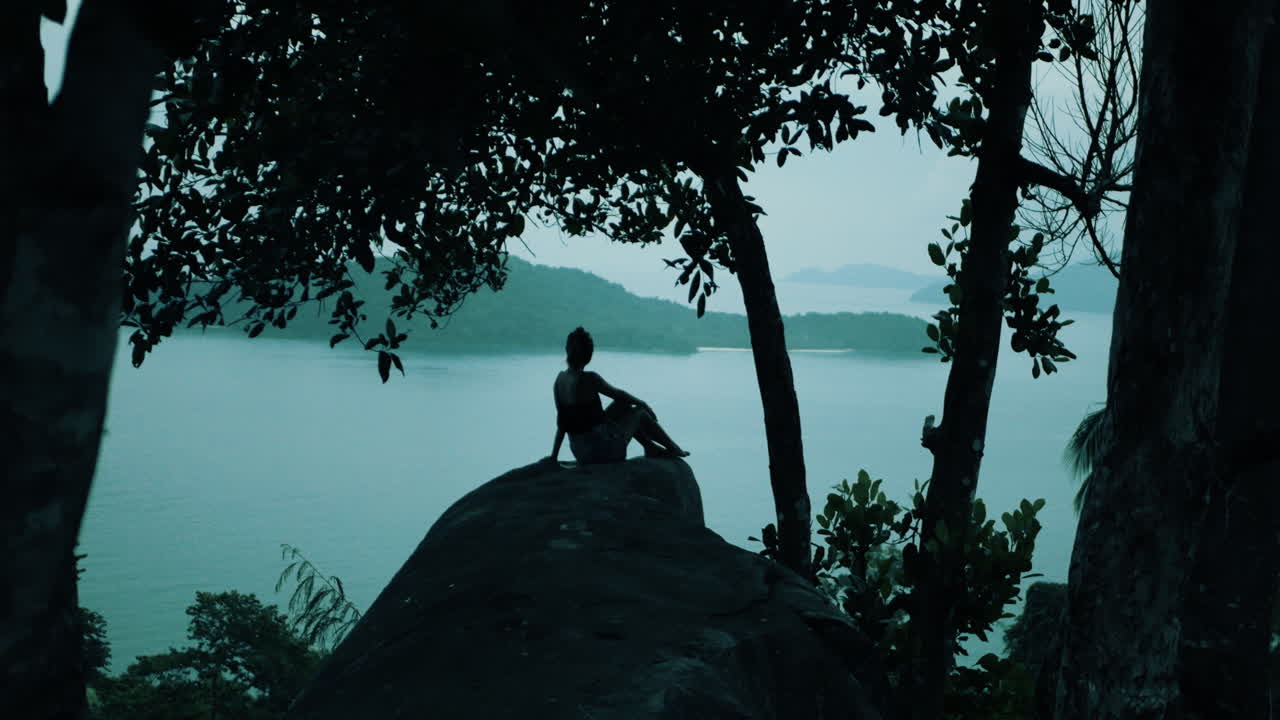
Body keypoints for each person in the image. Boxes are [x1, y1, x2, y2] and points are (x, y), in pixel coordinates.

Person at [549, 327, 690, 464]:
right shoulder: (590, 379)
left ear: (567, 350)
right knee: (639, 413)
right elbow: (618, 393)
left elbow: (562, 422)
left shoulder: (559, 380)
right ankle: (673, 447)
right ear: (588, 356)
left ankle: (650, 447)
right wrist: (643, 404)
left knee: (622, 405)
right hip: (604, 452)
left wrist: (553, 457)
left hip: (581, 453)